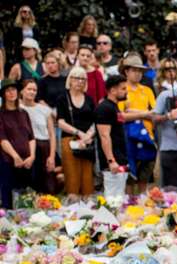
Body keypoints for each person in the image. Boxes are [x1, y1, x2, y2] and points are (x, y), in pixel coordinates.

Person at [96, 75, 154, 191]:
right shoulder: (104, 108)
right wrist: (111, 161)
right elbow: (104, 136)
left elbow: (122, 118)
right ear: (113, 90)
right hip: (112, 162)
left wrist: (143, 113)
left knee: (120, 196)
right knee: (113, 196)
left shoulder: (114, 107)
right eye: (123, 89)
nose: (126, 91)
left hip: (120, 158)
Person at [119, 54, 157, 194]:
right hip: (127, 138)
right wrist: (145, 114)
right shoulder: (122, 90)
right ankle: (129, 204)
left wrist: (133, 111)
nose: (138, 74)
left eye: (140, 71)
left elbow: (155, 112)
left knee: (144, 176)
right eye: (134, 70)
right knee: (129, 177)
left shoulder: (147, 90)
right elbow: (121, 116)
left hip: (148, 136)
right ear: (126, 71)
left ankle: (142, 203)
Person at [57, 67, 97, 196]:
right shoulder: (63, 98)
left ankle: (88, 204)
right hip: (70, 140)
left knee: (87, 177)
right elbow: (60, 122)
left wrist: (88, 136)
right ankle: (72, 203)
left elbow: (95, 121)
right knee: (72, 176)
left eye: (83, 79)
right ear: (70, 80)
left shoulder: (89, 99)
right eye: (77, 78)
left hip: (87, 142)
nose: (80, 81)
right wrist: (79, 133)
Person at [0, 79, 35, 207]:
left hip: (27, 162)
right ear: (3, 94)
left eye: (13, 89)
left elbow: (31, 137)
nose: (11, 93)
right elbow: (2, 139)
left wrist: (32, 156)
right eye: (8, 90)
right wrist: (15, 156)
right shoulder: (1, 114)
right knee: (9, 198)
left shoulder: (24, 113)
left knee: (27, 198)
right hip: (8, 161)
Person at [20, 79, 58, 194]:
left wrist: (52, 156)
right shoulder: (17, 109)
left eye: (34, 90)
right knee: (28, 182)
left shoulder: (44, 110)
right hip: (25, 147)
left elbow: (52, 134)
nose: (32, 92)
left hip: (43, 147)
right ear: (21, 91)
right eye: (29, 89)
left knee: (46, 183)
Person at [4, 5, 39, 71]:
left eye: (29, 12)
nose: (27, 13)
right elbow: (10, 40)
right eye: (24, 11)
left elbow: (37, 40)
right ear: (20, 13)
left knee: (32, 68)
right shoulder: (16, 27)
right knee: (21, 68)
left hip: (32, 50)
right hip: (20, 51)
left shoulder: (34, 26)